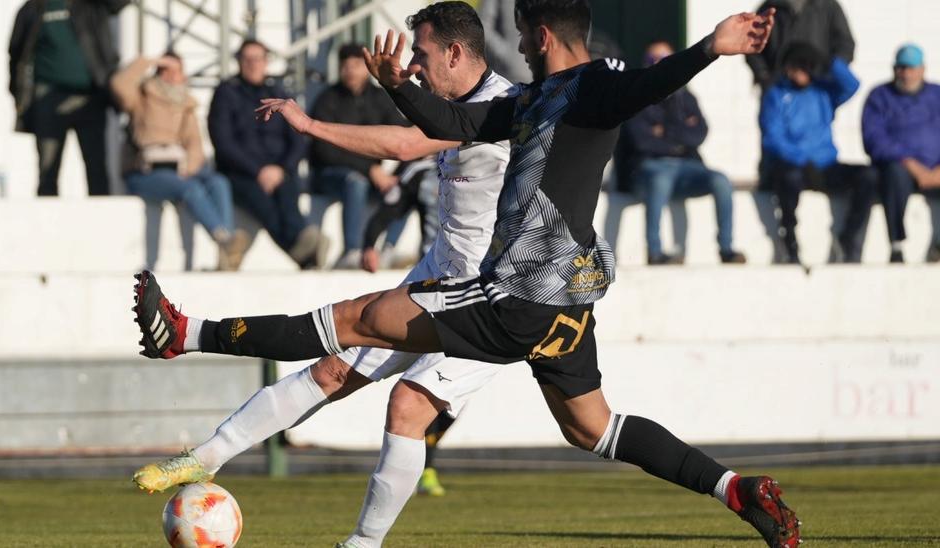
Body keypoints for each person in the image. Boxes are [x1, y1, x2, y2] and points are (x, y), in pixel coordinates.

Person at [132, 4, 803, 548]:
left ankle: (189, 334)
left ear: (540, 35)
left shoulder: (592, 87)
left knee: (359, 325)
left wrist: (710, 48)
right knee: (594, 428)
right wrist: (396, 84)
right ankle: (737, 490)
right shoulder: (539, 99)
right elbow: (453, 121)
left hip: (509, 296)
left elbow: (640, 88)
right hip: (564, 310)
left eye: (521, 36)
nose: (519, 46)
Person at [133, 0, 516, 527]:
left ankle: (362, 542)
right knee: (332, 370)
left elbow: (405, 145)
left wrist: (309, 124)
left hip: (487, 298)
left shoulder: (502, 107)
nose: (416, 69)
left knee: (407, 406)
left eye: (423, 56)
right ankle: (205, 456)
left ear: (455, 52)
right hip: (435, 275)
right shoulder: (449, 104)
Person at [111, 53, 249, 271]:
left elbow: (195, 144)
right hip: (146, 171)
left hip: (179, 169)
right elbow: (119, 83)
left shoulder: (185, 104)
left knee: (219, 183)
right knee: (192, 190)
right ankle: (224, 239)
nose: (176, 75)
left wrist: (189, 167)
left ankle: (226, 253)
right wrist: (152, 61)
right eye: (169, 70)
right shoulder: (141, 97)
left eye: (179, 70)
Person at [616, 40, 745, 265]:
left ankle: (726, 249)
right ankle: (655, 252)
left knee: (721, 181)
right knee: (661, 178)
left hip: (687, 168)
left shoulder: (686, 97)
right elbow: (641, 141)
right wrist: (681, 135)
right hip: (648, 168)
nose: (659, 64)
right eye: (652, 60)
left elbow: (700, 133)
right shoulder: (635, 94)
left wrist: (664, 132)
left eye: (665, 59)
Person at [208, 40, 327, 269]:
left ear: (266, 62)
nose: (254, 64)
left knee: (287, 195)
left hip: (280, 170)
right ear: (239, 62)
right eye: (248, 59)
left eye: (259, 59)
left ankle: (307, 252)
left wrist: (281, 169)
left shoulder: (279, 93)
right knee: (265, 206)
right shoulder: (226, 93)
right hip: (241, 173)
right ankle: (305, 250)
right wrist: (258, 170)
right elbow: (223, 143)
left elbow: (298, 139)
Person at [760, 42, 874, 264]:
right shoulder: (776, 95)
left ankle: (847, 238)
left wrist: (829, 61)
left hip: (826, 165)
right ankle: (790, 241)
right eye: (796, 66)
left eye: (806, 66)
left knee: (868, 176)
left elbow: (852, 86)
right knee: (788, 178)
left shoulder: (823, 92)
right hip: (794, 166)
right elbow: (772, 138)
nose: (801, 72)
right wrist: (802, 160)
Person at [8, 0, 128, 197]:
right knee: (48, 170)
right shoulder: (32, 9)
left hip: (90, 98)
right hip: (47, 98)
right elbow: (16, 55)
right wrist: (20, 95)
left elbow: (119, 3)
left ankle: (103, 223)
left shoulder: (90, 5)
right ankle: (46, 222)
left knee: (96, 168)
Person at [309, 44, 409, 269]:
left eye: (355, 65)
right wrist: (371, 170)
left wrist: (398, 174)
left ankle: (388, 250)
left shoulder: (379, 97)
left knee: (407, 185)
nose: (350, 70)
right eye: (345, 65)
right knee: (355, 182)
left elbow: (403, 134)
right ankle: (351, 251)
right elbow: (324, 151)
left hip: (370, 178)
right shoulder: (328, 99)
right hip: (329, 176)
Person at [861, 44, 940, 263]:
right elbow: (874, 139)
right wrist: (912, 166)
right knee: (893, 175)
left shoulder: (937, 95)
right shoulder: (880, 96)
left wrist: (936, 172)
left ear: (922, 69)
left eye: (911, 68)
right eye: (901, 68)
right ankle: (896, 244)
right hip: (900, 167)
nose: (906, 74)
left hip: (935, 169)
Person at [746, 0, 854, 88]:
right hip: (778, 91)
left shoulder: (828, 6)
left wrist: (827, 75)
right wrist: (765, 76)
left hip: (817, 90)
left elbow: (845, 45)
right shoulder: (771, 7)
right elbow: (752, 45)